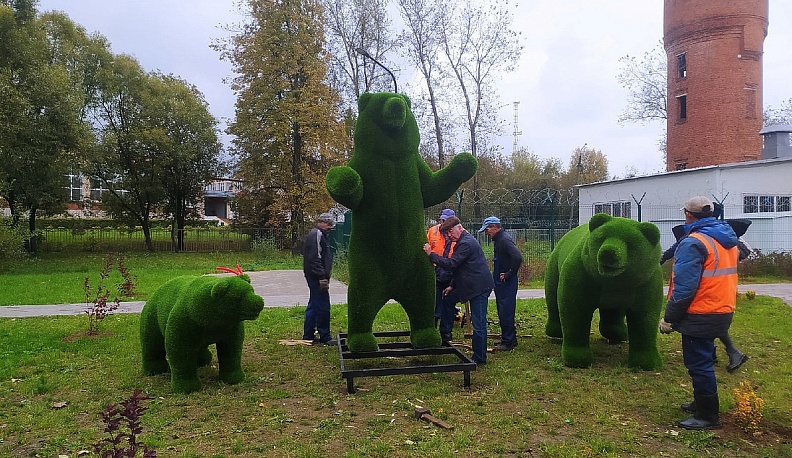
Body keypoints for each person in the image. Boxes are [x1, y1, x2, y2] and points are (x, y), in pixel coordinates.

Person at [660, 196, 739, 430]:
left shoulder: (694, 242)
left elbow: (685, 288)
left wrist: (669, 318)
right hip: (723, 307)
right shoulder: (726, 237)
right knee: (702, 360)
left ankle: (708, 416)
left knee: (699, 364)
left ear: (688, 214)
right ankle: (700, 403)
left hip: (701, 311)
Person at [661, 217, 751, 373]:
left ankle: (730, 353)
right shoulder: (720, 233)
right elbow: (670, 252)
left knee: (705, 326)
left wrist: (670, 318)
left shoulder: (699, 239)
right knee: (711, 325)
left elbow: (685, 287)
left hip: (708, 297)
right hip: (721, 297)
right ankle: (722, 353)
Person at [424, 216, 494, 365]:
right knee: (448, 299)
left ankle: (479, 358)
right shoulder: (460, 242)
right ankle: (445, 333)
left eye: (450, 232)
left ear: (459, 227)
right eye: (446, 234)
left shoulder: (466, 243)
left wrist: (431, 255)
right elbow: (460, 268)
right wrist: (452, 286)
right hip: (468, 285)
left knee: (479, 322)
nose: (449, 236)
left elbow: (451, 264)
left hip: (478, 288)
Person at [479, 216, 523, 352]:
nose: (486, 233)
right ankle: (509, 338)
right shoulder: (499, 240)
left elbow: (517, 257)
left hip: (507, 283)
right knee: (503, 310)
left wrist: (509, 274)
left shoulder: (504, 240)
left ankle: (508, 342)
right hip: (501, 283)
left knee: (506, 311)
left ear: (494, 227)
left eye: (487, 230)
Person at [301, 213, 336, 346]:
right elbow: (314, 258)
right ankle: (325, 336)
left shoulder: (318, 234)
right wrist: (322, 277)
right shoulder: (317, 234)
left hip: (316, 276)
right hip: (317, 277)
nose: (330, 227)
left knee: (314, 304)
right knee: (322, 305)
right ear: (321, 222)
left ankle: (308, 334)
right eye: (328, 224)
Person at [427, 209, 457, 334]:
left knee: (448, 301)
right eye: (442, 219)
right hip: (436, 269)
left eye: (447, 220)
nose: (444, 222)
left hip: (451, 270)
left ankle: (446, 331)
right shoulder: (432, 231)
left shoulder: (459, 233)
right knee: (435, 300)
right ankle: (431, 328)